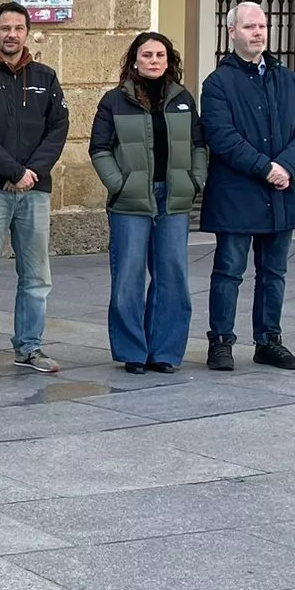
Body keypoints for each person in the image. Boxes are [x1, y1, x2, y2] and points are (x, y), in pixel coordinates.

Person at [0, 1, 69, 377]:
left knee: (37, 276)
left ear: (27, 32)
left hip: (34, 190)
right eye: (5, 28)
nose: (12, 35)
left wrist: (31, 172)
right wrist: (12, 170)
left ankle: (30, 347)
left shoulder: (46, 77)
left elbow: (59, 129)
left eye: (18, 28)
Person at [201, 0, 295, 372]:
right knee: (229, 270)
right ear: (231, 31)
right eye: (250, 27)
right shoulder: (218, 83)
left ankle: (269, 340)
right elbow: (222, 136)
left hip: (281, 192)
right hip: (238, 193)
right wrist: (266, 167)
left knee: (274, 272)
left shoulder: (286, 77)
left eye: (262, 26)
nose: (258, 33)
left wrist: (285, 165)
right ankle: (220, 342)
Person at [90, 31, 207, 375]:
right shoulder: (114, 100)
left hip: (173, 199)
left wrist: (194, 181)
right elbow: (99, 148)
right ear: (134, 60)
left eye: (160, 55)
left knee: (172, 274)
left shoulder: (183, 99)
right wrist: (119, 184)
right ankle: (133, 352)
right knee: (128, 275)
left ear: (168, 61)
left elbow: (200, 145)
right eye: (147, 55)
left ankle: (165, 352)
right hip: (130, 201)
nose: (153, 61)